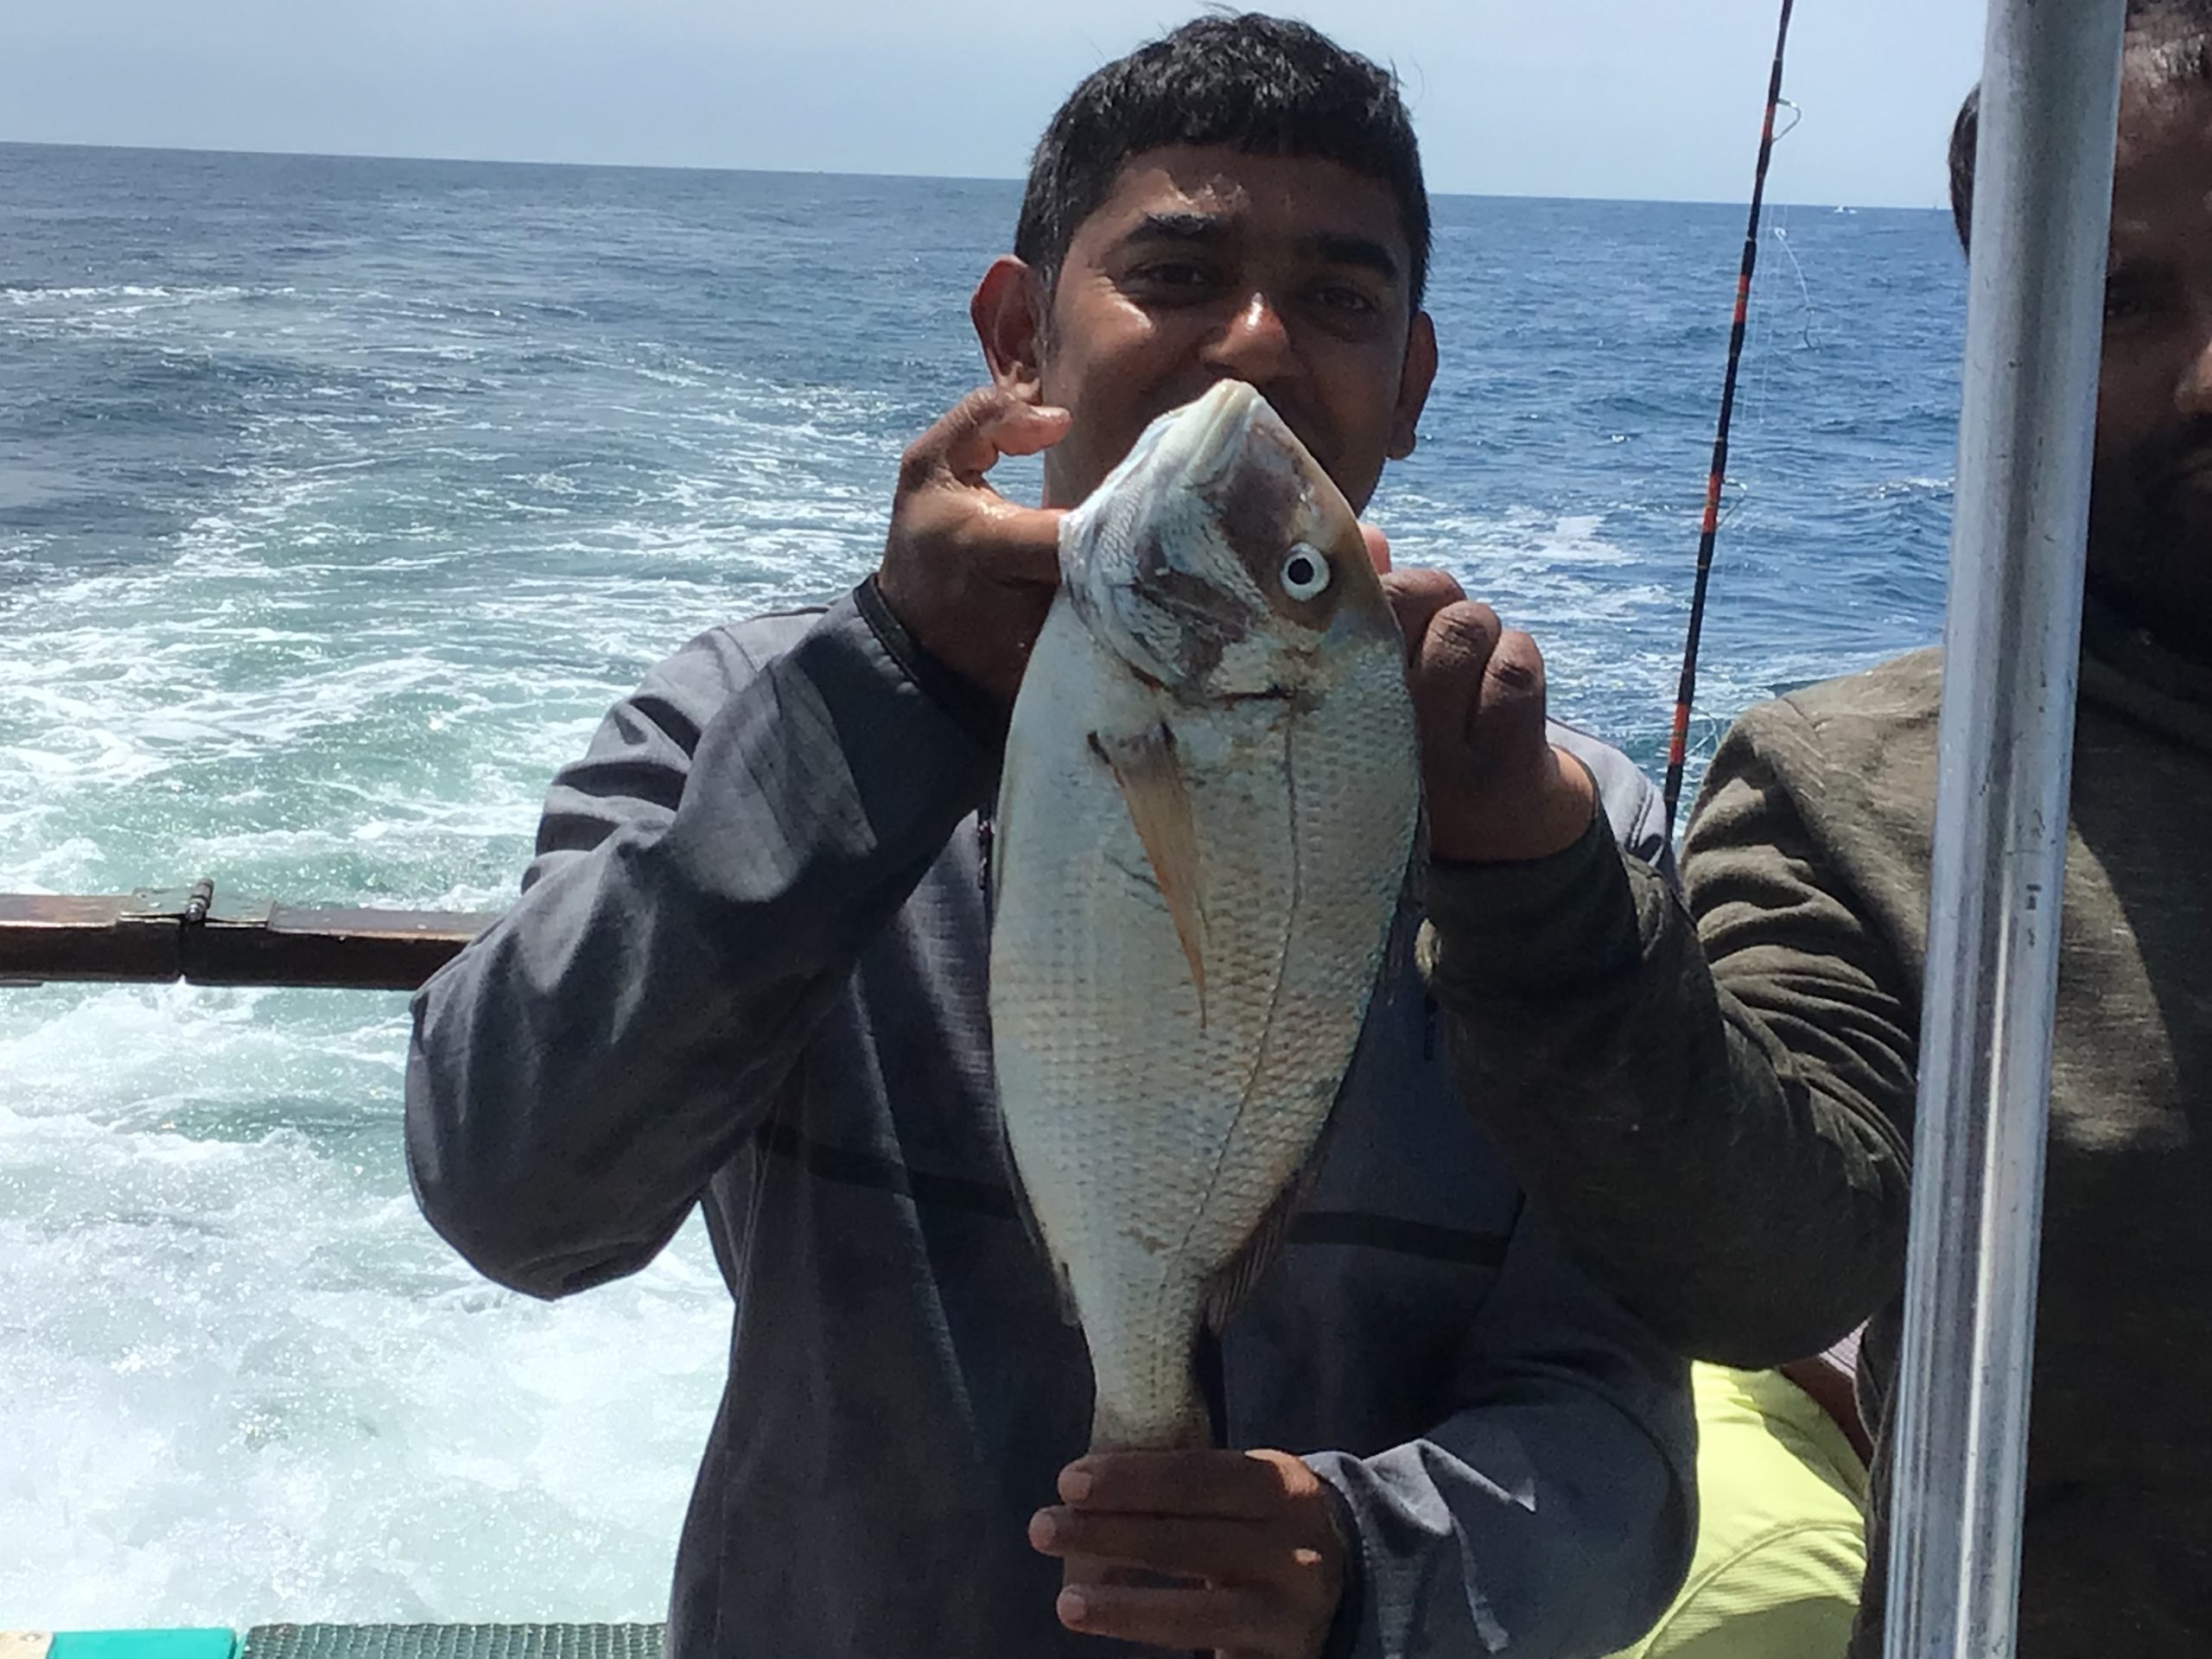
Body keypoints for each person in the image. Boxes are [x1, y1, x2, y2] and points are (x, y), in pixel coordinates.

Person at [405, 15, 1701, 1659]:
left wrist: (1372, 1564)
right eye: (1177, 272)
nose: (1254, 342)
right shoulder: (754, 718)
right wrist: (888, 696)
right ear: (1020, 339)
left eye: (1341, 300)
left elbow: (1618, 1431)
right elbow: (511, 1190)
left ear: (1412, 382)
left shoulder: (1550, 826)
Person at [1421, 3, 2212, 1651]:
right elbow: (1770, 1267)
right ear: (2015, 341)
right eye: (2128, 299)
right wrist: (1536, 880)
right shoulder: (1867, 795)